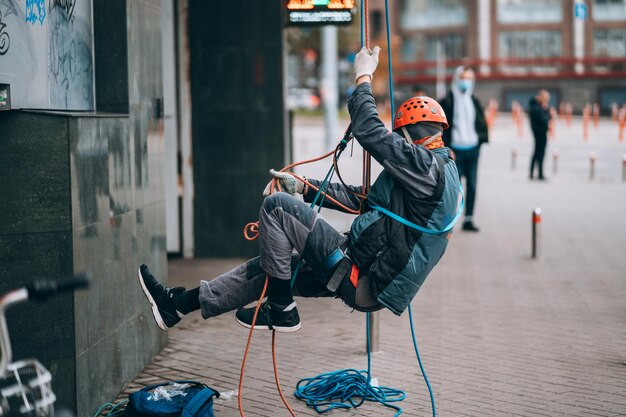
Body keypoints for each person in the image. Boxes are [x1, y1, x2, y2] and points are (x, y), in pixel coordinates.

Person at [138, 47, 461, 333]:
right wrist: (304, 187)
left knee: (277, 207)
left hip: (360, 277)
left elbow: (369, 130)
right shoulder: (437, 169)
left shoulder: (426, 166)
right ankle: (177, 305)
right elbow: (365, 199)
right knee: (267, 268)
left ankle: (281, 309)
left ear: (405, 134)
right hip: (362, 275)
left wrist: (363, 75)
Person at [439, 66, 488, 232]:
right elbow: (442, 127)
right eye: (462, 77)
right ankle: (447, 220)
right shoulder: (448, 101)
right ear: (456, 78)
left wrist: (480, 141)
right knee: (453, 187)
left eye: (468, 78)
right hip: (455, 151)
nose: (465, 81)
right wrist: (446, 148)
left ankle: (468, 219)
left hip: (473, 149)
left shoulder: (473, 100)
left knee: (473, 185)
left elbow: (481, 122)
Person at [528, 90, 551, 181]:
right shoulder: (536, 107)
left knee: (538, 152)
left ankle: (535, 173)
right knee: (539, 152)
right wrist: (546, 110)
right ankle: (538, 174)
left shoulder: (535, 106)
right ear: (541, 97)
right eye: (545, 99)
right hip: (539, 132)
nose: (546, 102)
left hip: (539, 131)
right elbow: (544, 119)